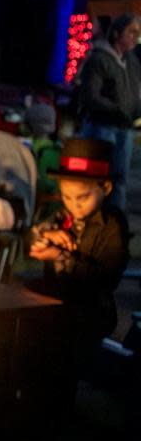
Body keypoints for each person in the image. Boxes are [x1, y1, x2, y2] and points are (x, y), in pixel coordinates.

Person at [28, 138, 128, 404]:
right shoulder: (64, 217)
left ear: (104, 188)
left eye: (82, 197)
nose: (74, 205)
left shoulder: (112, 225)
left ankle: (63, 405)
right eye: (67, 197)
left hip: (88, 309)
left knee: (67, 361)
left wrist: (62, 256)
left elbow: (106, 277)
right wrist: (47, 236)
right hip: (56, 299)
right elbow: (33, 236)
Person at [77, 13, 141, 211]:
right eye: (130, 32)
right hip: (103, 126)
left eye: (137, 33)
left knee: (120, 177)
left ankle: (116, 223)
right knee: (101, 176)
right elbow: (91, 96)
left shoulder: (131, 61)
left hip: (125, 126)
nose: (134, 37)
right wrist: (117, 109)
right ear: (116, 33)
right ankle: (97, 219)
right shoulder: (99, 59)